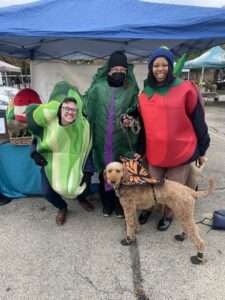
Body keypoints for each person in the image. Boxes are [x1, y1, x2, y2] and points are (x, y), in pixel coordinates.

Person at [137, 47, 210, 230]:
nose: (160, 69)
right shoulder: (145, 94)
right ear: (150, 68)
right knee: (152, 186)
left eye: (164, 65)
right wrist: (140, 150)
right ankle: (149, 208)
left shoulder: (186, 89)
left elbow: (198, 120)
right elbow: (144, 126)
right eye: (156, 65)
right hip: (155, 152)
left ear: (170, 66)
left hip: (180, 152)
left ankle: (168, 215)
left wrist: (202, 149)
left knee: (173, 189)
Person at [84, 51, 139, 217]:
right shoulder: (97, 89)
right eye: (115, 68)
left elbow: (137, 111)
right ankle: (107, 204)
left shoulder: (131, 89)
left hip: (122, 140)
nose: (119, 72)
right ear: (108, 70)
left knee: (123, 175)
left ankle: (120, 205)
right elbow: (87, 110)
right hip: (102, 140)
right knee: (104, 173)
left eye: (123, 69)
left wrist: (131, 119)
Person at [26, 86, 92, 225]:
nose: (70, 112)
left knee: (84, 185)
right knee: (47, 192)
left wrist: (88, 169)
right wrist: (34, 154)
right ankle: (62, 207)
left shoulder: (83, 126)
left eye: (73, 109)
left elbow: (88, 147)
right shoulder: (48, 123)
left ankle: (82, 199)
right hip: (51, 163)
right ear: (60, 108)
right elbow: (36, 139)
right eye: (66, 108)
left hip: (77, 163)